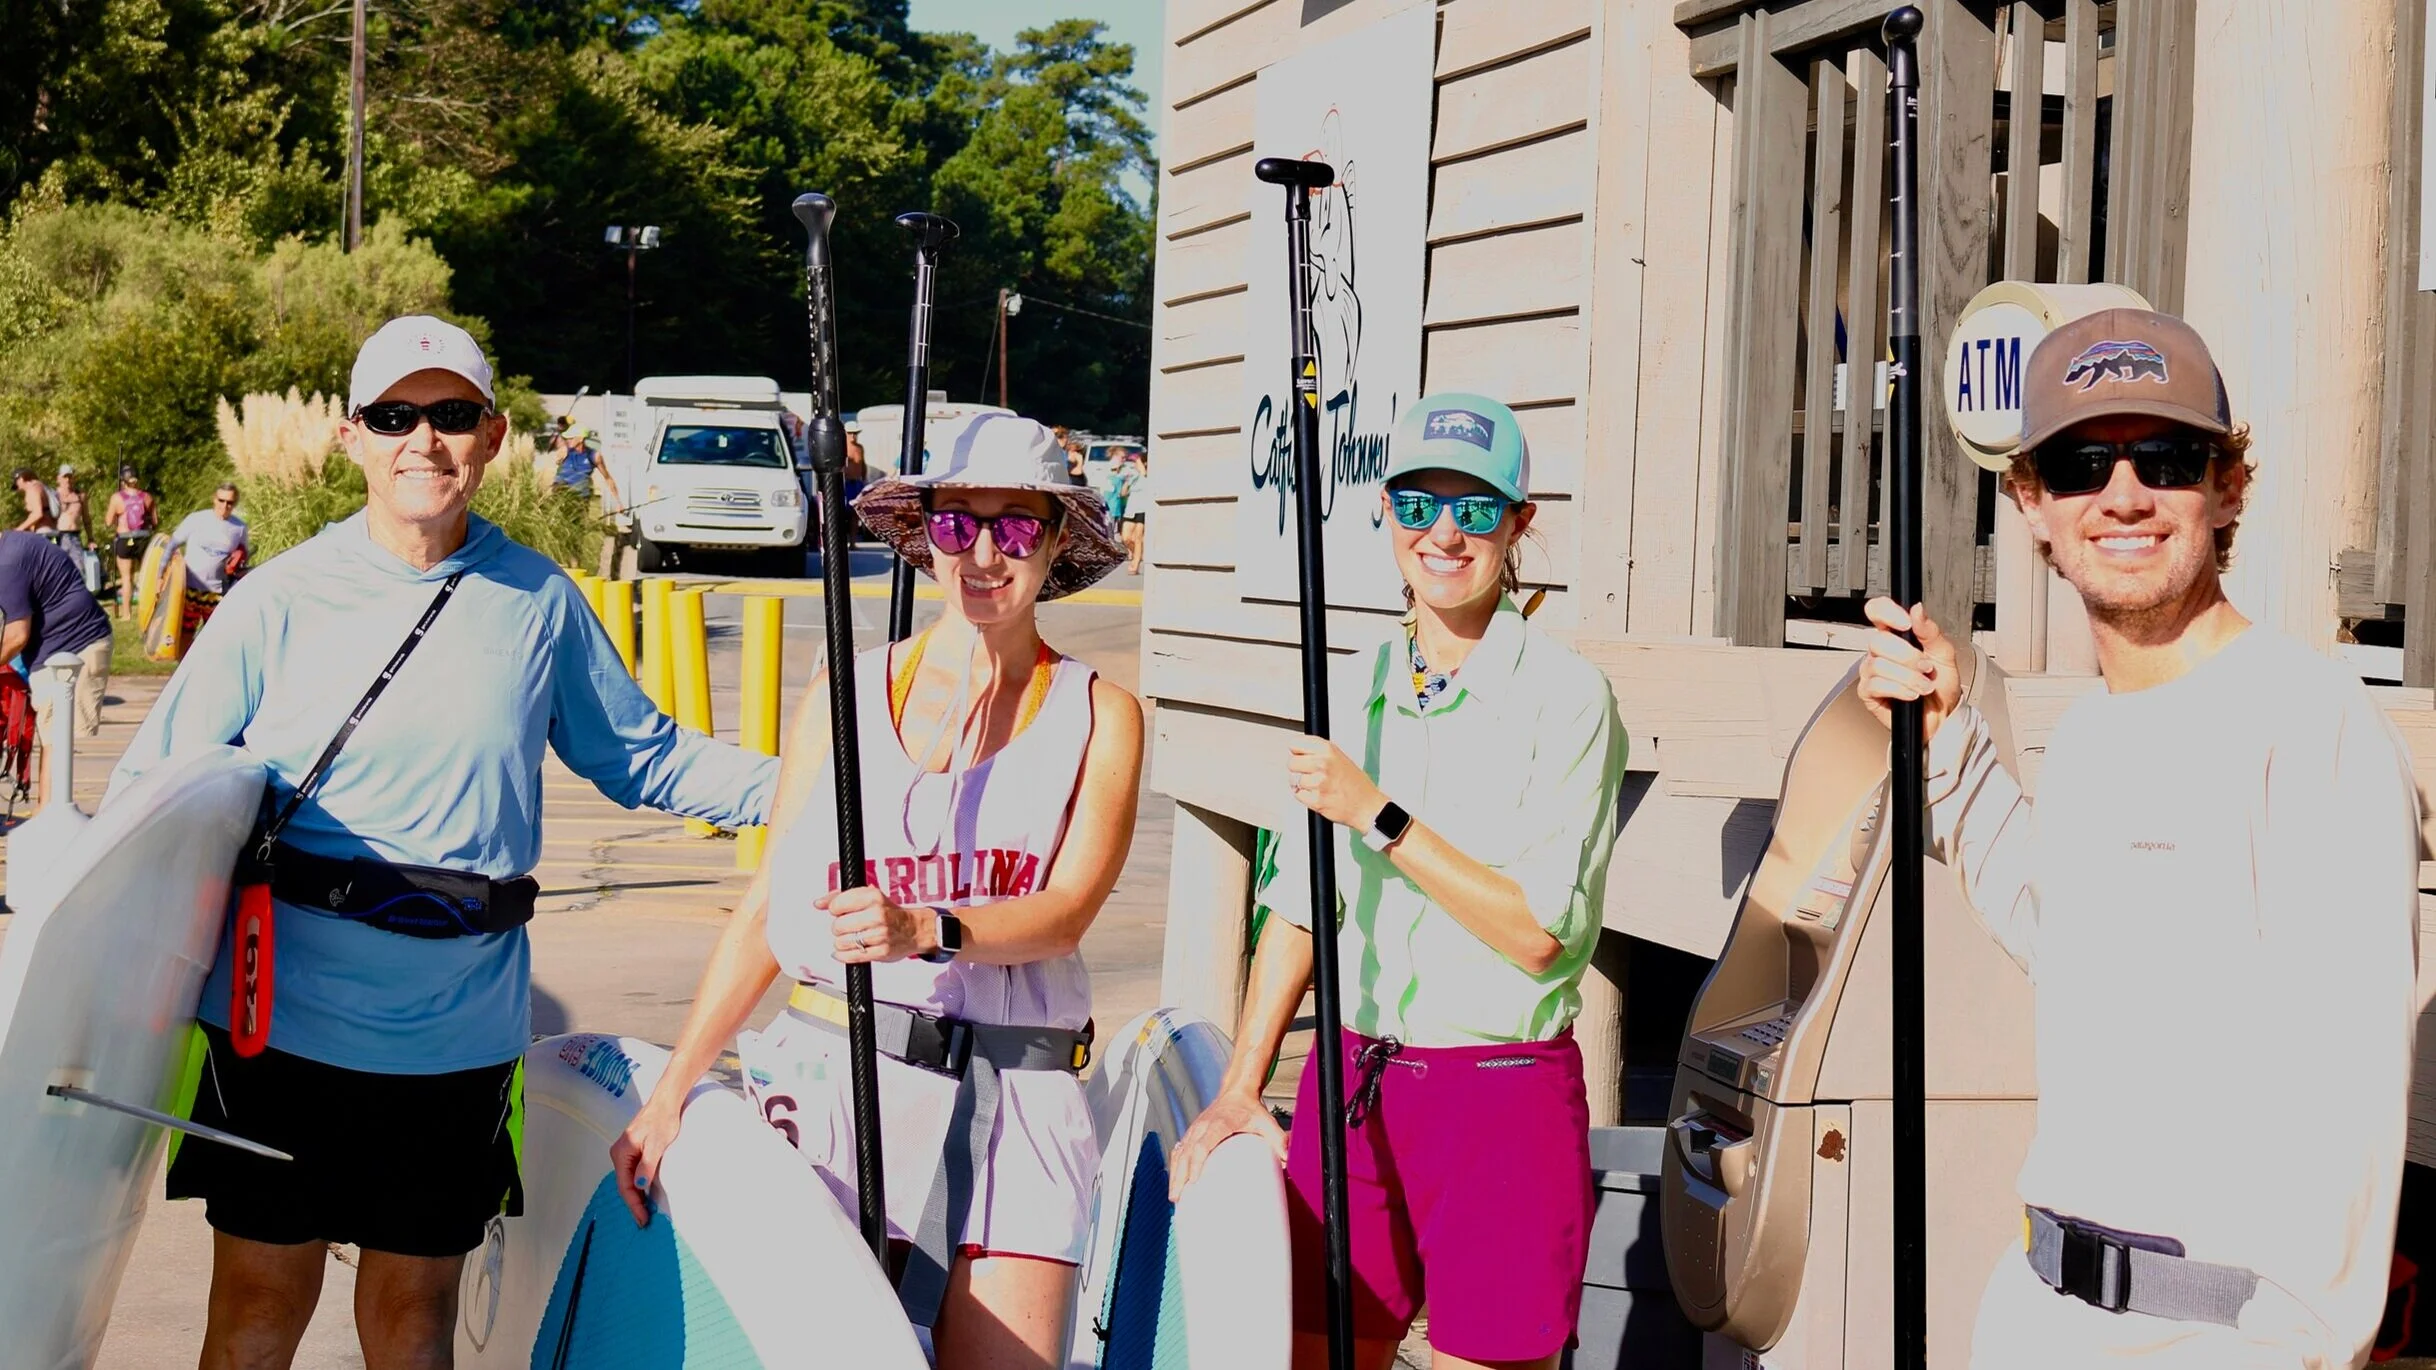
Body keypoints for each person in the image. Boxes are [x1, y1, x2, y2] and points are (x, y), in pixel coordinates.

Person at [105, 314, 779, 1368]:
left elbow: (644, 755)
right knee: (255, 1303)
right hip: (281, 1019)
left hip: (455, 1031)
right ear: (353, 437)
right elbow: (159, 785)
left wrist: (814, 795)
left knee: (416, 1313)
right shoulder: (276, 598)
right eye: (394, 415)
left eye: (451, 414)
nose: (424, 438)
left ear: (494, 433)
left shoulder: (541, 602)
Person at [1855, 309, 2419, 1369]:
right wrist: (1950, 738)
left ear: (2228, 485)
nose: (2123, 495)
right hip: (2035, 1312)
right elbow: (2061, 932)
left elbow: (2351, 1112)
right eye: (2080, 463)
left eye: (2165, 457)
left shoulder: (2313, 728)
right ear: (2032, 501)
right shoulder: (2096, 732)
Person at [613, 415, 1142, 1366]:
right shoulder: (845, 692)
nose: (983, 553)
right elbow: (770, 908)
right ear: (925, 536)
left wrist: (926, 927)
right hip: (840, 1085)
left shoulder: (1102, 713)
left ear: (1059, 540)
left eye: (1017, 526)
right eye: (955, 525)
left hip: (1015, 1101)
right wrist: (674, 1089)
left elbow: (1067, 911)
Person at [1168, 392, 1627, 1370]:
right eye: (1419, 504)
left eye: (1477, 507)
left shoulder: (1568, 698)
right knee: (1307, 1350)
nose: (1446, 532)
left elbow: (1542, 930)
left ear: (1520, 522)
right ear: (1386, 512)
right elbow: (1298, 900)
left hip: (1499, 1091)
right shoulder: (1357, 683)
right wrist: (1243, 1084)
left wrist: (1377, 814)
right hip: (1353, 1079)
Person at [0, 528, 113, 796]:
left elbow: (17, 635)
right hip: (57, 647)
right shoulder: (13, 544)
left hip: (75, 647)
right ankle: (48, 815)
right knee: (53, 735)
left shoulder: (7, 563)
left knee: (56, 737)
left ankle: (50, 819)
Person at [156, 482, 249, 653]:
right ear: (214, 499)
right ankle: (183, 671)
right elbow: (171, 545)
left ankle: (207, 674)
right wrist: (160, 576)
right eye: (221, 500)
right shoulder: (196, 519)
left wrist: (239, 562)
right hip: (189, 589)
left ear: (234, 504)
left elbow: (243, 556)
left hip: (216, 593)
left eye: (230, 502)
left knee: (214, 638)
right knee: (184, 634)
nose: (225, 506)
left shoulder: (239, 528)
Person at [105, 464, 156, 620]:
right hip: (143, 539)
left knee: (126, 578)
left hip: (125, 539)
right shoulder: (147, 497)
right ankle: (150, 609)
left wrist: (117, 521)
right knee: (147, 576)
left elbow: (108, 522)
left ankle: (126, 614)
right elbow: (155, 521)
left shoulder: (116, 498)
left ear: (123, 481)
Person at [54, 466, 95, 589]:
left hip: (74, 537)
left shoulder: (80, 496)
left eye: (70, 477)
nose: (67, 480)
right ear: (58, 479)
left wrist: (91, 539)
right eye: (65, 477)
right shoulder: (54, 496)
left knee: (79, 570)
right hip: (58, 537)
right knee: (58, 571)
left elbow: (86, 519)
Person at [1116, 448, 1148, 575]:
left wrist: (1142, 468)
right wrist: (1126, 483)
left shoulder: (1149, 476)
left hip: (1143, 509)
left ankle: (1135, 564)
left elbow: (1145, 474)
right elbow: (1123, 493)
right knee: (1126, 538)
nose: (1135, 464)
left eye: (1137, 461)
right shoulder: (1133, 476)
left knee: (1138, 537)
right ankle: (1137, 555)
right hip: (1131, 509)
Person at [13, 468, 57, 534]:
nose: (18, 487)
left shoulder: (32, 489)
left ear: (21, 479)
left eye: (16, 482)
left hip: (43, 531)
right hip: (51, 529)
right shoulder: (41, 486)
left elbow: (37, 514)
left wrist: (19, 529)